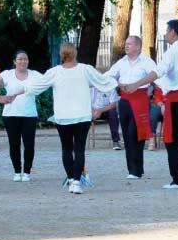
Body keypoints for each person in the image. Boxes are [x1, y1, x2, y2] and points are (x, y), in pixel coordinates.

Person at [8, 42, 118, 194]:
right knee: (79, 150)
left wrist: (14, 94)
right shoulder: (86, 70)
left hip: (63, 117)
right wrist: (122, 83)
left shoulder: (54, 72)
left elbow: (33, 87)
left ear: (62, 55)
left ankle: (71, 179)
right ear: (75, 53)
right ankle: (77, 183)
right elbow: (105, 82)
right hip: (82, 116)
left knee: (66, 148)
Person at [120, 19, 178, 190]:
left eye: (167, 31)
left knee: (171, 140)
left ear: (173, 31)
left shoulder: (172, 52)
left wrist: (136, 84)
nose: (165, 34)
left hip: (176, 100)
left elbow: (157, 73)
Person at [0, 51, 42, 182]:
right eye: (20, 59)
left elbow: (48, 82)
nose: (23, 62)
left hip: (29, 114)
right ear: (15, 61)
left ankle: (26, 172)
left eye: (25, 59)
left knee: (29, 144)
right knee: (14, 144)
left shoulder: (35, 75)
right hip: (10, 114)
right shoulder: (7, 74)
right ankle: (16, 171)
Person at [104, 35, 157, 179]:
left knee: (136, 134)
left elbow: (155, 74)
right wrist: (118, 84)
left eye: (130, 44)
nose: (126, 46)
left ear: (138, 47)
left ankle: (137, 169)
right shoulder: (121, 62)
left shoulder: (146, 61)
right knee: (127, 135)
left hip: (140, 100)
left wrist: (138, 84)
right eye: (126, 43)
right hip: (125, 101)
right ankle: (132, 169)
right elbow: (109, 76)